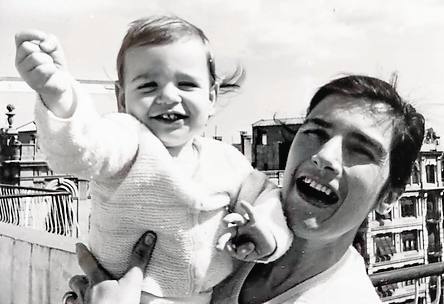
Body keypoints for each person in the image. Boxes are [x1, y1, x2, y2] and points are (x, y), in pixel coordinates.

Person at [70, 75, 425, 304]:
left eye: (361, 150)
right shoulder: (224, 222)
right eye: (316, 132)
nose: (326, 157)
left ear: (389, 195)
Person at [15, 16, 293, 304]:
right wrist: (60, 96)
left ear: (211, 96)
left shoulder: (226, 161)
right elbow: (82, 149)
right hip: (121, 292)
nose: (169, 96)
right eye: (149, 86)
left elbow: (267, 195)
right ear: (122, 98)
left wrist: (265, 233)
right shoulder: (127, 139)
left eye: (186, 84)